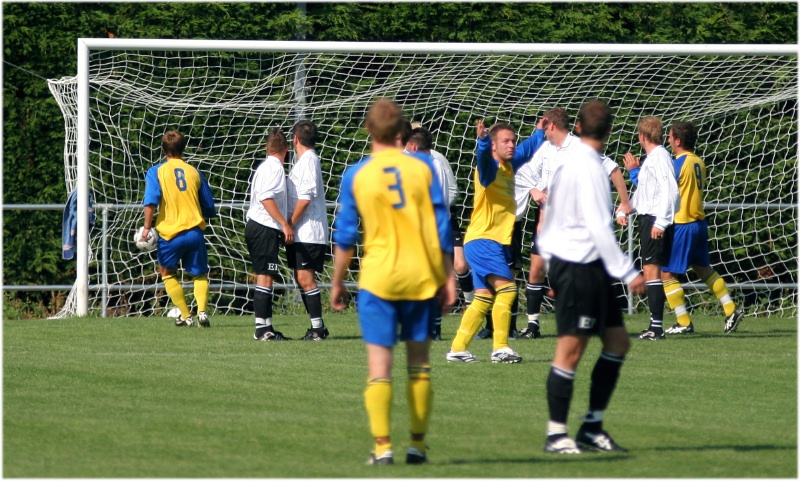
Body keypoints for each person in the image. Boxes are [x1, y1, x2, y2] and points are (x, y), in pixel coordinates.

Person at [330, 98, 456, 466]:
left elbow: (346, 235)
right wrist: (448, 276)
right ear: (402, 132)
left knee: (379, 369)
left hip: (378, 280)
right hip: (420, 277)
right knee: (419, 365)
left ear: (368, 130)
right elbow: (440, 224)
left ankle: (383, 448)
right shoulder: (422, 167)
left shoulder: (356, 174)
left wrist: (337, 281)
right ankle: (417, 445)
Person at [537, 99, 646, 454]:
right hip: (578, 268)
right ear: (609, 131)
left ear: (579, 128)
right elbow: (600, 227)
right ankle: (556, 435)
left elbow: (550, 219)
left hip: (587, 268)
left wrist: (550, 263)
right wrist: (630, 272)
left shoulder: (572, 164)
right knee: (570, 349)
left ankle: (592, 426)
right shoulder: (587, 168)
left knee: (618, 342)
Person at [519, 107, 633, 340]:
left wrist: (624, 202)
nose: (540, 128)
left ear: (551, 125)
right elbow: (525, 172)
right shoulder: (546, 149)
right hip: (547, 220)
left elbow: (612, 168)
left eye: (543, 124)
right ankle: (533, 326)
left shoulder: (579, 148)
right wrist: (534, 191)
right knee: (536, 269)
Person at [446, 117, 545, 363]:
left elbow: (528, 148)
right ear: (494, 146)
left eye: (512, 140)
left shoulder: (510, 164)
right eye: (505, 141)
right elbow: (482, 159)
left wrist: (540, 132)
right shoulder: (488, 169)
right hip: (484, 241)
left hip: (486, 242)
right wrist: (481, 142)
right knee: (508, 290)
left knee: (483, 298)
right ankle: (500, 348)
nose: (511, 145)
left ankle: (457, 349)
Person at [659, 121, 744, 334]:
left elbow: (662, 187)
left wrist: (634, 173)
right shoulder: (699, 161)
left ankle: (684, 322)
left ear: (677, 141)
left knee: (666, 274)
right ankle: (731, 309)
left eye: (669, 137)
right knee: (704, 270)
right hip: (699, 223)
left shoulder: (677, 163)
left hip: (683, 224)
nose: (667, 140)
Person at [141, 130, 216, 328]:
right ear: (183, 148)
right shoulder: (194, 172)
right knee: (199, 274)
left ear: (163, 149)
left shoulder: (156, 171)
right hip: (194, 232)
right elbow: (209, 207)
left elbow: (150, 202)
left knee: (166, 272)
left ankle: (185, 315)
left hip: (170, 234)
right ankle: (201, 311)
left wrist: (146, 228)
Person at [619, 116, 679, 341]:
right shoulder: (651, 159)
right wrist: (625, 210)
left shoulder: (660, 157)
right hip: (647, 218)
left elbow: (670, 191)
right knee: (649, 271)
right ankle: (655, 327)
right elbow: (644, 194)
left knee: (652, 272)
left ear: (642, 136)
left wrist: (661, 222)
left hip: (655, 220)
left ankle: (656, 328)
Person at [245, 128, 294, 341]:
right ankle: (262, 330)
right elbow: (266, 198)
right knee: (265, 277)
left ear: (266, 149)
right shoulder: (274, 169)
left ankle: (265, 328)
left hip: (258, 226)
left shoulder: (264, 166)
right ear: (287, 149)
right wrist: (284, 224)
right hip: (263, 227)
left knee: (265, 276)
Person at [287, 120, 331, 341]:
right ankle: (317, 327)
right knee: (300, 278)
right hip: (303, 231)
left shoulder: (308, 161)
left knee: (305, 279)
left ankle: (318, 329)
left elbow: (304, 200)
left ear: (295, 138)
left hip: (308, 231)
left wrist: (289, 224)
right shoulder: (305, 161)